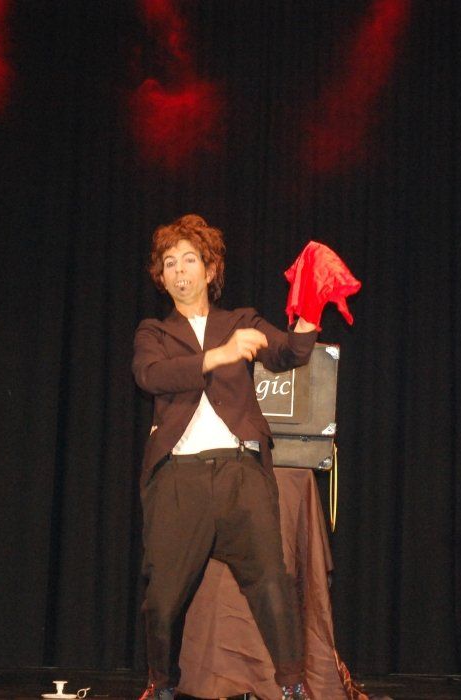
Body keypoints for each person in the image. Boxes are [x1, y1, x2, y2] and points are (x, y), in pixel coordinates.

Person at [133, 214, 318, 700]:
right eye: (169, 263)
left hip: (239, 471)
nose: (179, 271)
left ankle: (292, 685)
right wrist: (219, 356)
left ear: (211, 268)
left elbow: (288, 353)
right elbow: (150, 376)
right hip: (179, 478)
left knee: (272, 584)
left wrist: (310, 310)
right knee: (161, 599)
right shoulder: (154, 332)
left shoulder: (240, 322)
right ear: (161, 277)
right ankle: (162, 684)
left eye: (189, 260)